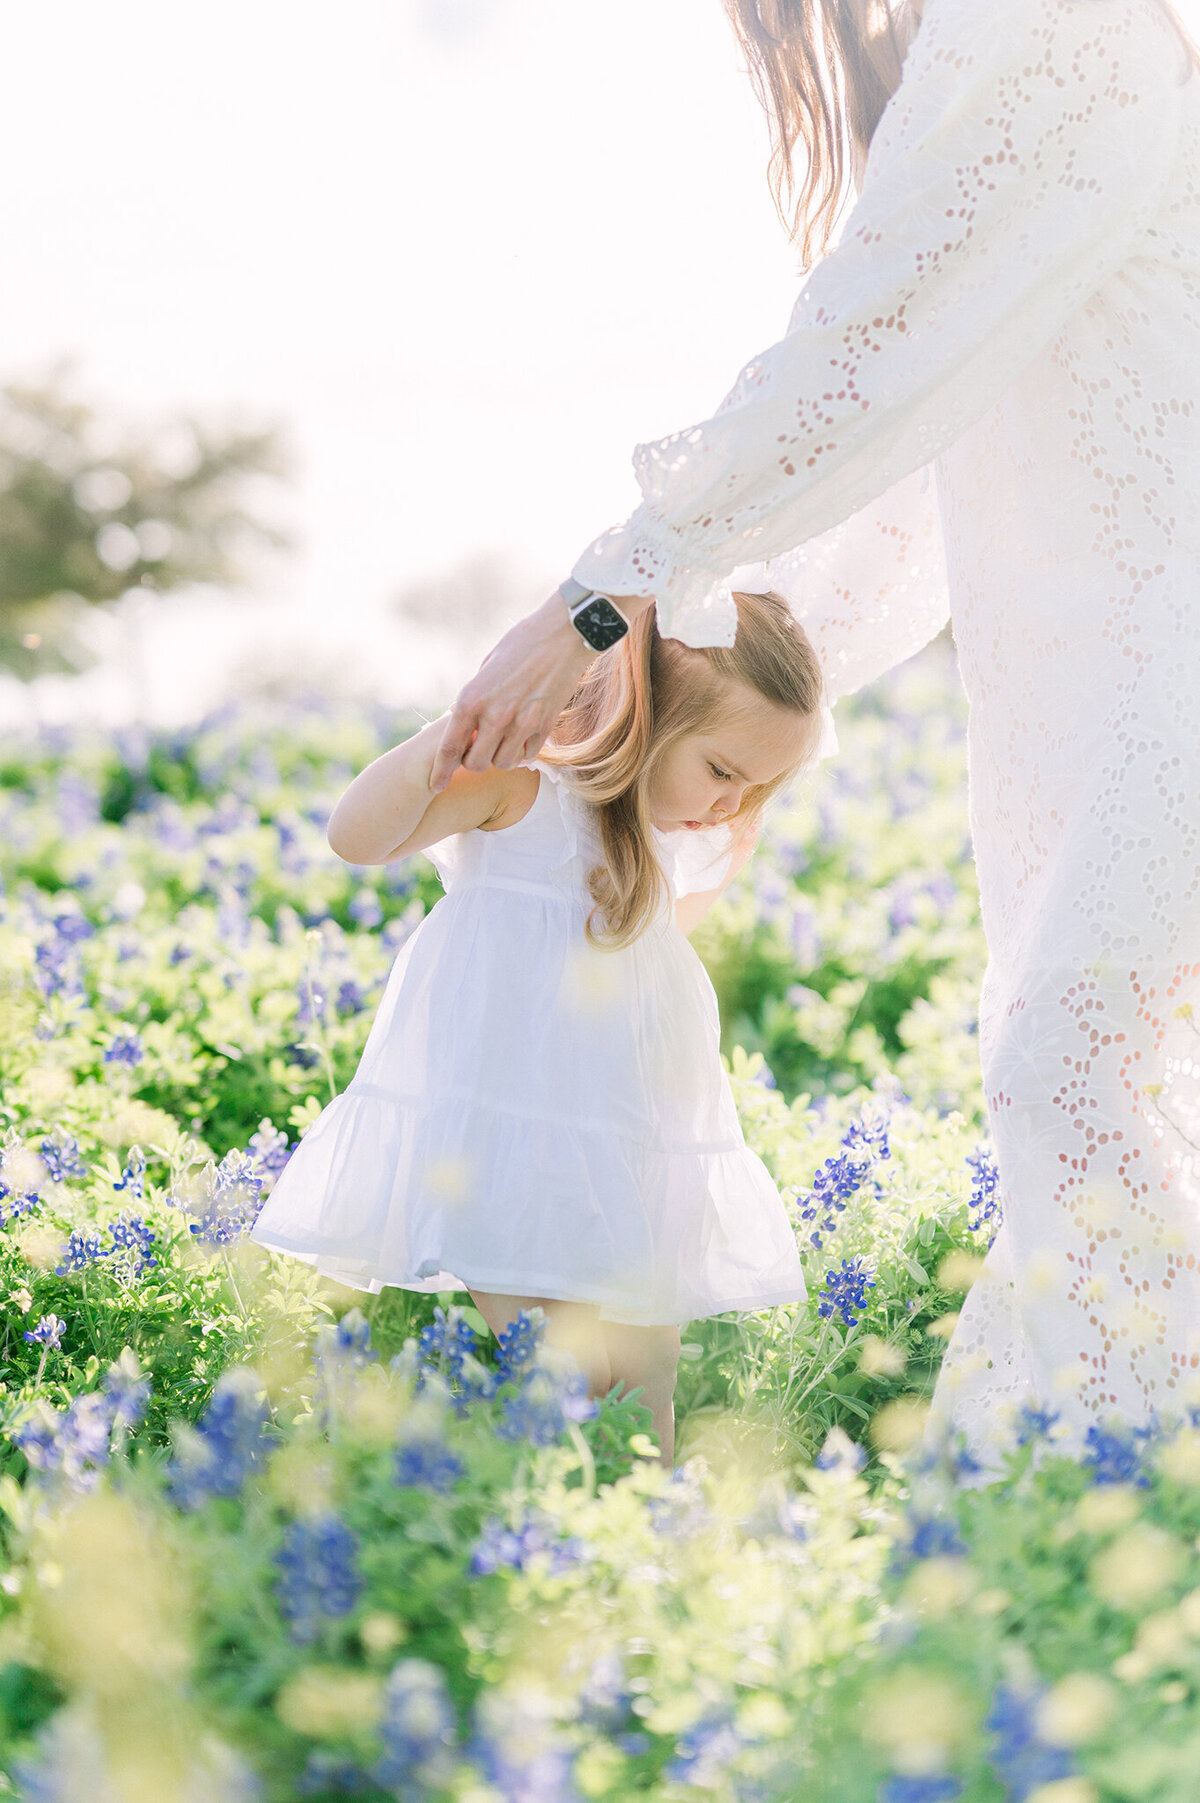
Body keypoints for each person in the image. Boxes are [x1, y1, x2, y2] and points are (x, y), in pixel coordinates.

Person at [428, 0, 1200, 1481]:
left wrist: (609, 596)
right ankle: (1089, 1514)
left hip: (1172, 646)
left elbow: (866, 350)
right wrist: (706, 707)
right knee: (1100, 1067)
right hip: (1090, 684)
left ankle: (1139, 1489)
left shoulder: (1055, 21)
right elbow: (908, 475)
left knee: (1071, 1062)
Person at [251, 591, 826, 1464]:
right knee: (566, 1375)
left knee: (642, 1385)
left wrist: (711, 822)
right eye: (722, 771)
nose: (734, 801)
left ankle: (642, 1551)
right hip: (503, 1140)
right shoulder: (523, 786)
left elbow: (649, 970)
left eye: (757, 787)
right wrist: (467, 723)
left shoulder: (667, 839)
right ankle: (555, 1542)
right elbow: (356, 836)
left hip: (628, 1142)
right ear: (650, 714)